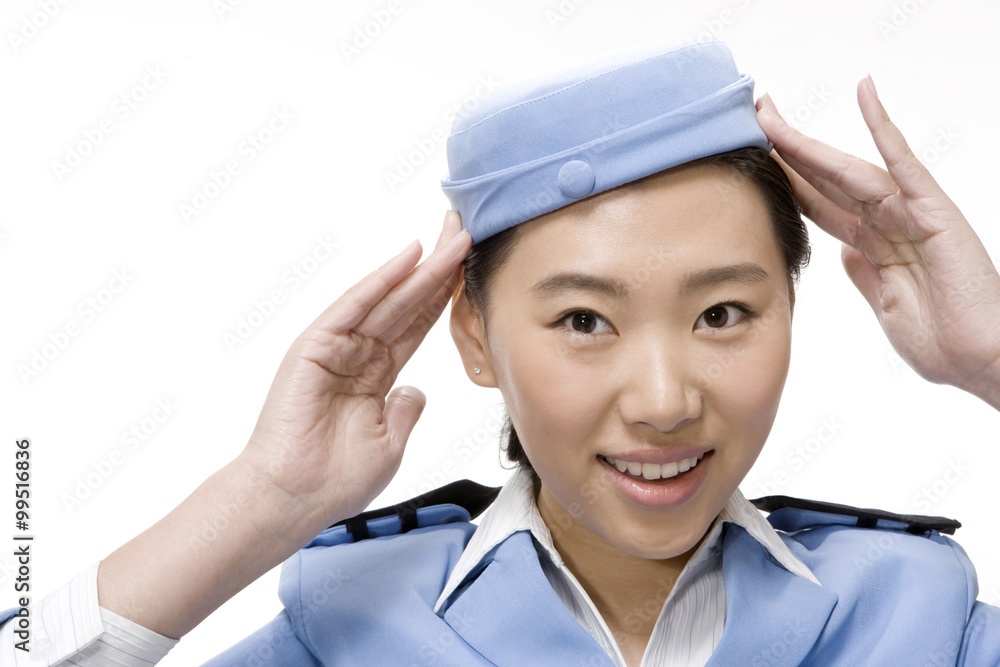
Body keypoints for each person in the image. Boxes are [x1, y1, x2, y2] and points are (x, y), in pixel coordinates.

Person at [3, 39, 999, 666]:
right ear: (474, 336)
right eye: (582, 321)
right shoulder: (348, 625)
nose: (661, 400)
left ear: (791, 305)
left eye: (723, 313)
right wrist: (267, 498)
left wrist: (991, 358)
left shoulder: (917, 612)